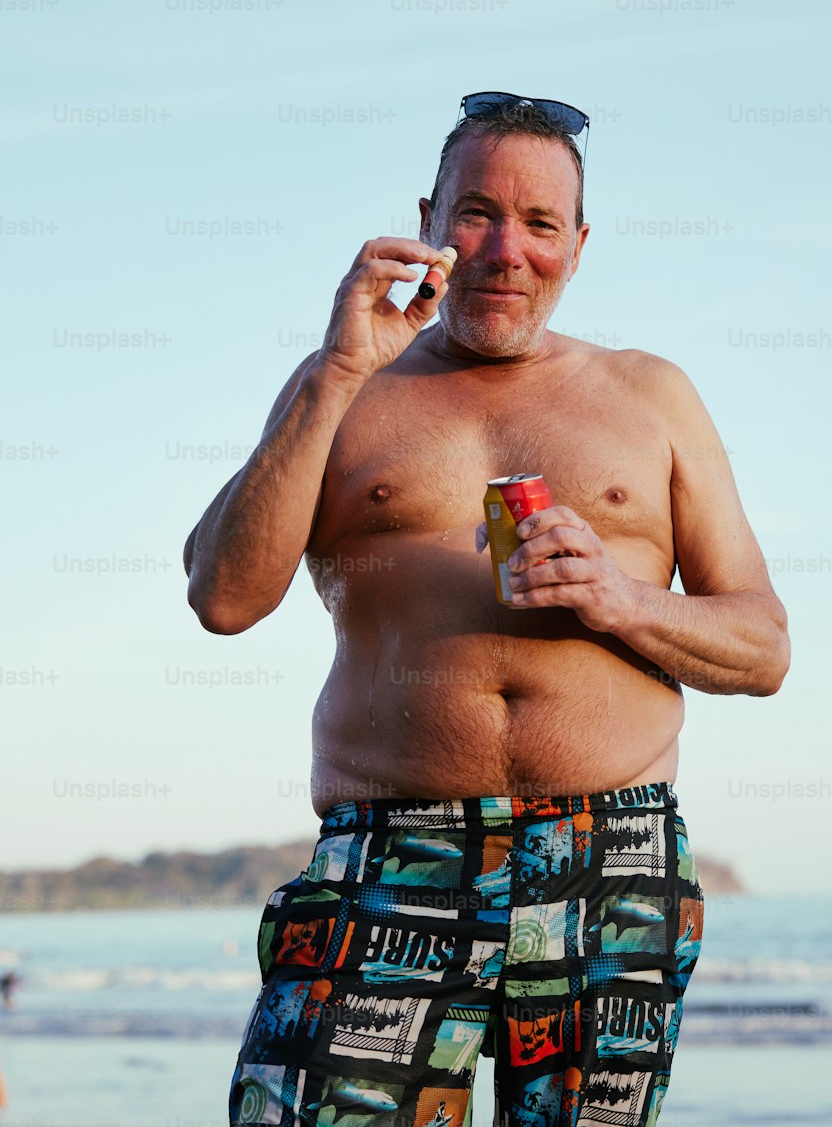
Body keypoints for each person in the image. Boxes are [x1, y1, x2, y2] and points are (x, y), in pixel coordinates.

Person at [184, 91, 790, 1126]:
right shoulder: (344, 386)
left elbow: (762, 644)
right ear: (425, 220)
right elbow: (224, 596)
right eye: (476, 212)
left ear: (578, 245)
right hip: (389, 845)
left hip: (613, 855)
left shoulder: (651, 395)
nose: (506, 248)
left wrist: (621, 597)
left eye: (540, 222)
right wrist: (334, 373)